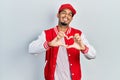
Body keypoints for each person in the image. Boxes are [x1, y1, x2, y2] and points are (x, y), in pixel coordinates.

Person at [29, 3, 96, 80]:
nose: (66, 16)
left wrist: (83, 48)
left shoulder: (78, 35)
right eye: (64, 13)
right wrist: (49, 44)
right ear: (58, 15)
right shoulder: (47, 33)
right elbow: (31, 49)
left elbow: (93, 55)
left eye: (70, 14)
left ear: (71, 18)